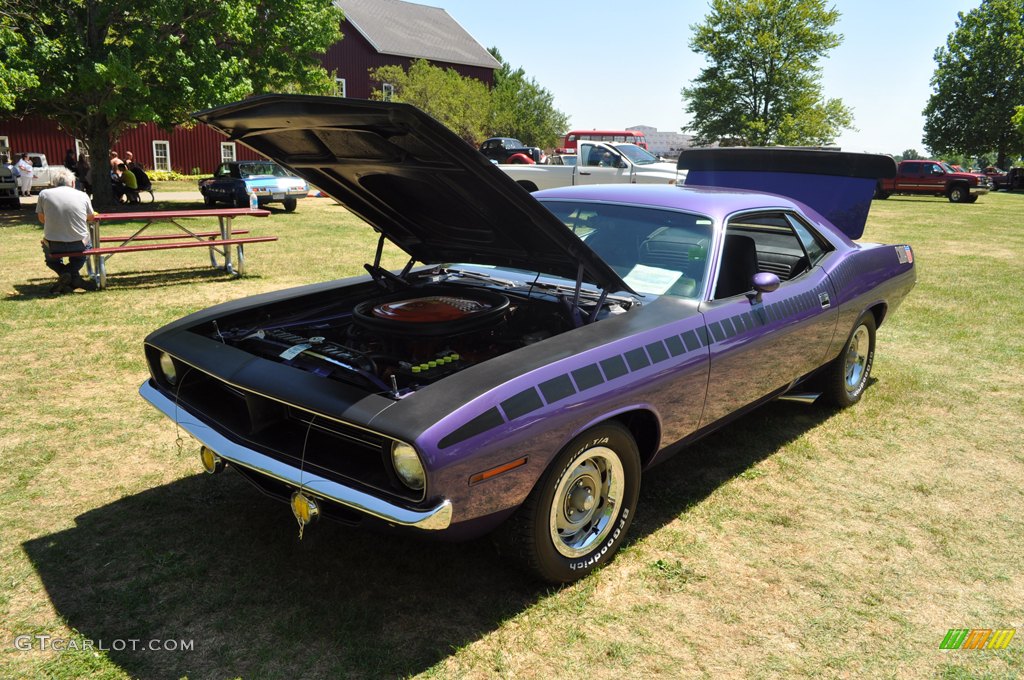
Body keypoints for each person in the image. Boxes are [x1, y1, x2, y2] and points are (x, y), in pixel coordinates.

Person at [37, 167, 97, 294]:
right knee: (81, 256)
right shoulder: (83, 195)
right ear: (73, 183)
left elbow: (42, 220)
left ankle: (66, 276)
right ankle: (74, 278)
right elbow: (90, 217)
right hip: (79, 243)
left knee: (51, 261)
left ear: (53, 183)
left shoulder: (44, 194)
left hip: (54, 244)